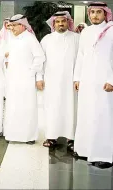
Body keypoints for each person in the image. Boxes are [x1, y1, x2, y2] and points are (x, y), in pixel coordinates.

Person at [73, 2, 113, 169]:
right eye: (92, 12)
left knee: (102, 117)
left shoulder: (111, 31)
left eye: (98, 12)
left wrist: (112, 80)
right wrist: (77, 78)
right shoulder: (86, 32)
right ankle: (84, 149)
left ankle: (103, 155)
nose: (95, 15)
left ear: (105, 14)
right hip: (87, 81)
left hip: (104, 83)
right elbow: (81, 56)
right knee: (86, 114)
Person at [3, 14, 45, 144]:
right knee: (12, 106)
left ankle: (29, 137)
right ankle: (12, 135)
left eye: (14, 26)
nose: (12, 28)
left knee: (27, 107)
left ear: (22, 25)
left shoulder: (30, 38)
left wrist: (31, 73)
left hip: (26, 80)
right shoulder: (11, 39)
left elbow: (40, 57)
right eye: (10, 26)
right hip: (12, 79)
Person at [39, 11, 79, 148]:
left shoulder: (77, 38)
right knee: (52, 108)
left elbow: (82, 60)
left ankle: (71, 138)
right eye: (58, 21)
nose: (61, 24)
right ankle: (51, 137)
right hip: (51, 81)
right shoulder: (46, 39)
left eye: (63, 21)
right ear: (53, 24)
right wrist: (39, 78)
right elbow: (40, 61)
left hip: (71, 82)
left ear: (68, 22)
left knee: (71, 108)